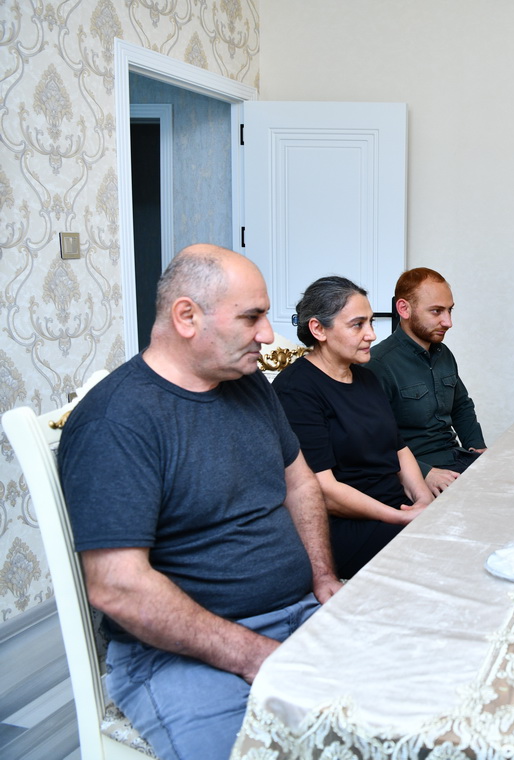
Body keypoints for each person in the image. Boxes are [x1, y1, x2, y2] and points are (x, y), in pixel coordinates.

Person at [58, 245, 342, 760]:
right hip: (180, 653)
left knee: (399, 717)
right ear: (186, 316)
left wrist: (323, 577)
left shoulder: (249, 384)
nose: (268, 335)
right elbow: (118, 586)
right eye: (251, 317)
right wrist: (254, 655)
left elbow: (300, 483)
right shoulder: (116, 422)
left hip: (299, 611)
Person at [273, 276, 434, 577]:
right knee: (438, 549)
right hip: (344, 526)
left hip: (394, 507)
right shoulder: (296, 389)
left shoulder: (366, 377)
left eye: (370, 322)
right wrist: (398, 518)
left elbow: (399, 448)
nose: (371, 334)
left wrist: (423, 498)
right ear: (318, 329)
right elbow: (324, 491)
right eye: (357, 325)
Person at [366, 268, 485, 495]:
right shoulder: (378, 364)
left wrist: (478, 448)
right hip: (415, 473)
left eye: (449, 310)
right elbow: (373, 441)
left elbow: (461, 406)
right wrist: (424, 474)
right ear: (404, 309)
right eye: (436, 311)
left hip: (455, 459)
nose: (448, 322)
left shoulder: (444, 354)